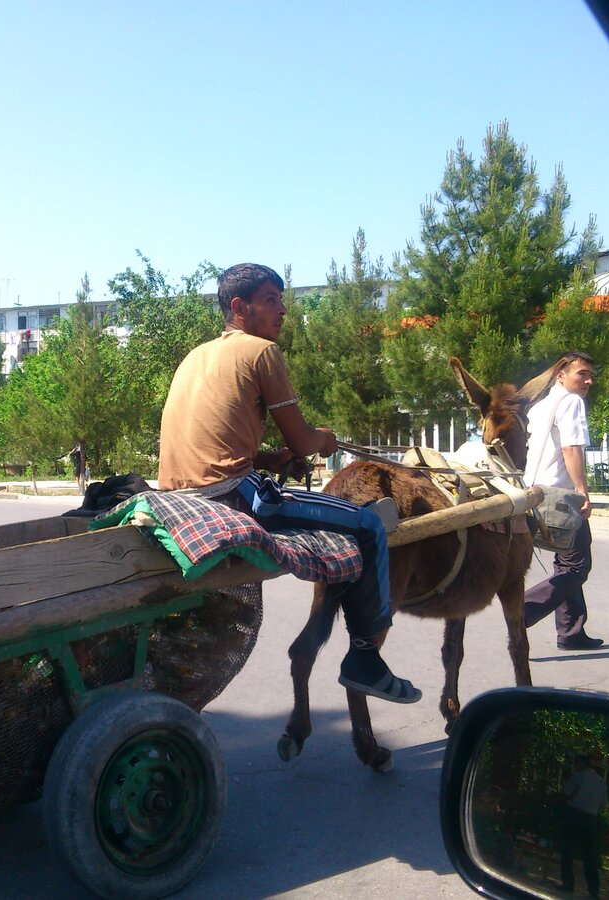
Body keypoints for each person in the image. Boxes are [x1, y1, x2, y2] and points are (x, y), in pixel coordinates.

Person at [157, 262, 420, 704]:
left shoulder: (196, 356)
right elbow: (304, 438)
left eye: (282, 301)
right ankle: (365, 658)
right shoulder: (261, 353)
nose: (283, 312)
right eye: (271, 301)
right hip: (228, 497)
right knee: (369, 526)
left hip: (179, 497)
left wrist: (272, 458)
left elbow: (215, 441)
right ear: (240, 308)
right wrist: (322, 440)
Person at [523, 351, 604, 650]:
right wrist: (583, 490)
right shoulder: (571, 401)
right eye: (581, 373)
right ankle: (522, 611)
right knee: (577, 567)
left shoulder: (543, 405)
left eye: (590, 375)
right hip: (560, 496)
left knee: (565, 562)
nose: (588, 380)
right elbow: (571, 448)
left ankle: (571, 632)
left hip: (536, 492)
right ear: (561, 375)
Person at [560, 754, 608, 896]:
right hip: (590, 819)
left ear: (581, 764)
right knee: (589, 856)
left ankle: (568, 883)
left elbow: (567, 794)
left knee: (567, 850)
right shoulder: (602, 782)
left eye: (576, 763)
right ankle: (594, 890)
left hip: (573, 815)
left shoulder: (578, 777)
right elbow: (603, 805)